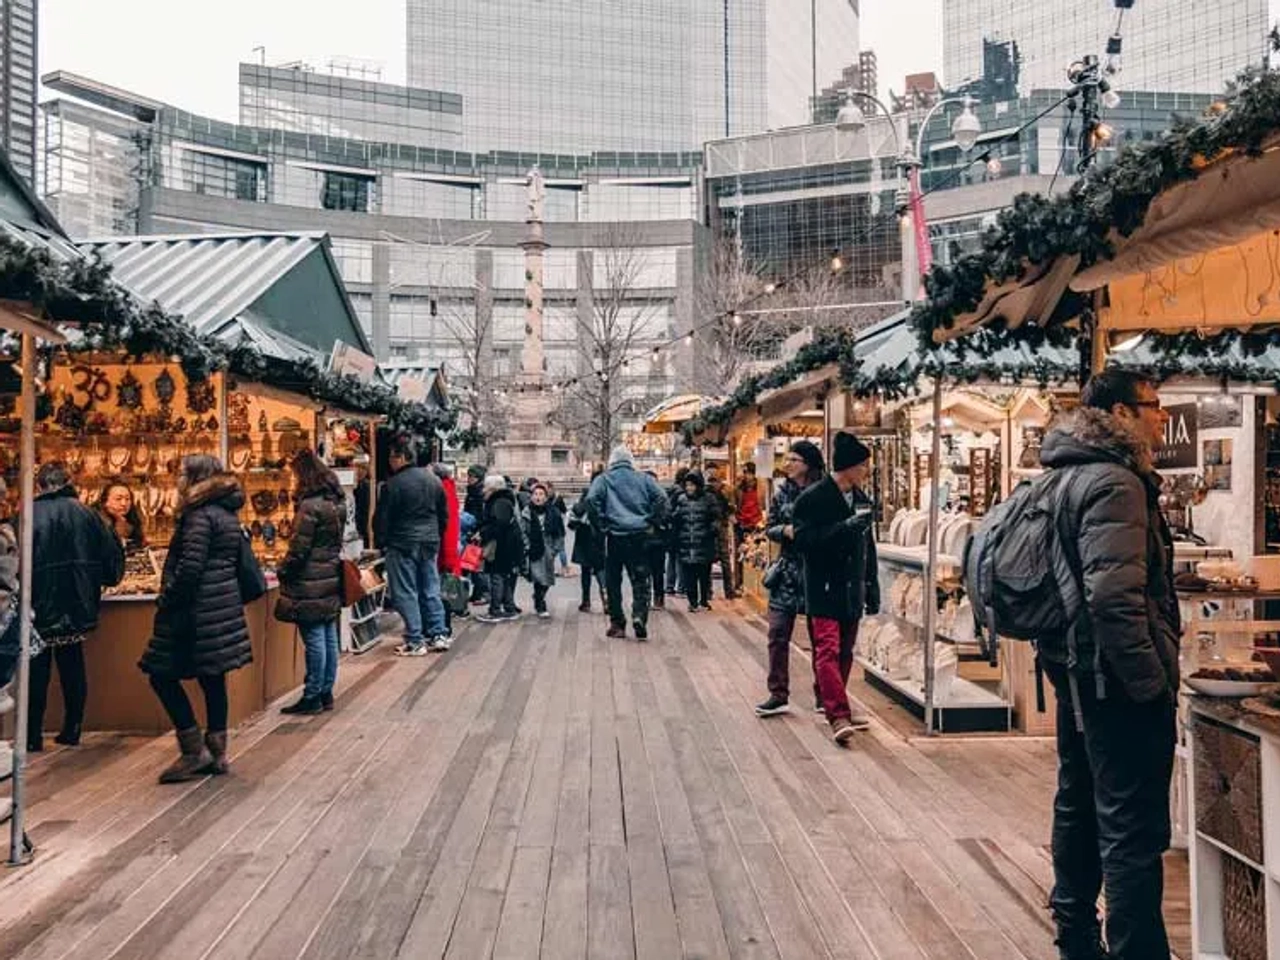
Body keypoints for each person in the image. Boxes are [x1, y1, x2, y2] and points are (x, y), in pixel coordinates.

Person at [1036, 370, 1179, 960]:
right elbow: (1112, 596)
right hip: (1112, 674)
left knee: (1081, 799)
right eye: (1152, 404)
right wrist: (1148, 680)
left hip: (1074, 667)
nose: (1161, 415)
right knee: (1132, 826)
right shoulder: (1117, 483)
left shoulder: (1065, 473)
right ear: (1121, 413)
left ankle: (1074, 929)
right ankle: (1135, 950)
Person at [139, 456, 253, 782]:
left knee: (160, 674)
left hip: (195, 612)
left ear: (195, 478)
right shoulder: (226, 513)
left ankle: (193, 750)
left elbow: (191, 567)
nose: (178, 479)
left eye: (182, 474)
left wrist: (168, 598)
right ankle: (217, 751)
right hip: (219, 608)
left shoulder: (199, 517)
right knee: (213, 677)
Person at [29, 462, 124, 751]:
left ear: (40, 485)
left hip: (38, 601)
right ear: (69, 482)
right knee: (72, 663)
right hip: (77, 600)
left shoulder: (28, 515)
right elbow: (110, 559)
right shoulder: (87, 515)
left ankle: (32, 734)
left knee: (37, 667)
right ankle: (72, 728)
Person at [792, 432, 879, 746]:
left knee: (844, 651)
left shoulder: (862, 500)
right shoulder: (812, 499)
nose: (866, 471)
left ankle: (837, 700)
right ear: (849, 467)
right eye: (863, 466)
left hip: (852, 587)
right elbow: (802, 541)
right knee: (827, 651)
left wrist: (871, 584)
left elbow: (867, 546)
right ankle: (837, 713)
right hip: (824, 587)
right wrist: (841, 530)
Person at [755, 441, 825, 717]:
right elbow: (770, 526)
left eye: (794, 459)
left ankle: (824, 694)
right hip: (786, 572)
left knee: (820, 638)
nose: (788, 463)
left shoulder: (823, 492)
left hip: (817, 571)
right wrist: (784, 530)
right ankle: (778, 693)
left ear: (807, 463)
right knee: (777, 633)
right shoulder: (782, 492)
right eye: (787, 458)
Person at [275, 450, 347, 715]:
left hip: (309, 580)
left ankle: (313, 694)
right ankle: (325, 690)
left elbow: (299, 549)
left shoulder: (309, 506)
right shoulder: (336, 502)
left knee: (315, 637)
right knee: (327, 634)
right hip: (329, 574)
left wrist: (283, 570)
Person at [374, 441, 450, 656]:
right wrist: (436, 534)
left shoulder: (393, 484)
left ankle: (415, 639)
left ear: (400, 458)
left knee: (405, 591)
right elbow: (443, 514)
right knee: (430, 587)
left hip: (402, 542)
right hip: (429, 541)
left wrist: (382, 542)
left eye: (391, 457)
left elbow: (383, 518)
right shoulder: (434, 480)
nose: (389, 462)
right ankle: (438, 634)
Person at [586, 446, 667, 640]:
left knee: (613, 581)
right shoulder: (644, 479)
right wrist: (652, 520)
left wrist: (601, 524)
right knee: (640, 580)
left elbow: (591, 500)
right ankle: (639, 615)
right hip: (639, 535)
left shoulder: (603, 479)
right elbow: (662, 498)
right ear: (631, 461)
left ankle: (617, 623)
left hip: (615, 536)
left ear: (612, 462)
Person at [476, 474, 524, 622]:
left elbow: (498, 524)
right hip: (506, 544)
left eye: (485, 487)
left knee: (496, 576)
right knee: (504, 576)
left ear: (492, 488)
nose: (483, 490)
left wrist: (482, 534)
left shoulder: (499, 502)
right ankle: (509, 607)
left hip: (501, 545)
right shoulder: (503, 500)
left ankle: (495, 610)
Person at [670, 470, 718, 612]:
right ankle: (692, 601)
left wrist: (711, 531)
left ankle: (703, 600)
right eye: (687, 485)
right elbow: (675, 519)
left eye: (692, 485)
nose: (689, 488)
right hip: (686, 543)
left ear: (698, 485)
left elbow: (716, 517)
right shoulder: (681, 499)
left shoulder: (709, 499)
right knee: (689, 575)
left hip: (703, 543)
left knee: (704, 575)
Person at [519, 482, 564, 618]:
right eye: (535, 494)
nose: (538, 497)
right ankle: (540, 604)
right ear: (531, 496)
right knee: (538, 578)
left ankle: (538, 597)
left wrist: (555, 549)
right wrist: (527, 546)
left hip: (548, 549)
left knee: (547, 580)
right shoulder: (526, 512)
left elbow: (559, 533)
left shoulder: (553, 512)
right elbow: (522, 532)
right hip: (534, 549)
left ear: (546, 497)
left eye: (541, 494)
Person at [569, 466, 607, 613]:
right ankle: (605, 593)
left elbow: (578, 510)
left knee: (586, 569)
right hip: (599, 534)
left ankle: (586, 601)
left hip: (585, 534)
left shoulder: (587, 493)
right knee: (600, 566)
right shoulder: (606, 495)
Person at [432, 462, 463, 637]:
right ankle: (442, 626)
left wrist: (447, 557)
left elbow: (447, 527)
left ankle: (442, 628)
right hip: (445, 550)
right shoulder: (447, 490)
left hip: (442, 551)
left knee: (439, 591)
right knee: (440, 591)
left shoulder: (441, 492)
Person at [705, 464, 737, 600]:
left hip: (721, 528)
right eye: (710, 476)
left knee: (724, 560)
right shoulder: (705, 493)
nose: (713, 481)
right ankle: (708, 592)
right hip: (709, 529)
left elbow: (731, 508)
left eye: (715, 476)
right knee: (708, 561)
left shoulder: (725, 491)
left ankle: (728, 591)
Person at [734, 461, 764, 591]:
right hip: (742, 524)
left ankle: (753, 584)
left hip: (756, 524)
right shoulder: (740, 489)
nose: (748, 476)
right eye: (746, 473)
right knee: (741, 554)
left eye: (750, 473)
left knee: (754, 554)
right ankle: (740, 581)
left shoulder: (761, 488)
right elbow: (736, 505)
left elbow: (762, 504)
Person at [96, 479, 146, 552]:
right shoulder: (96, 522)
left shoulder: (131, 520)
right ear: (105, 502)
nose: (123, 503)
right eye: (118, 499)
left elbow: (139, 545)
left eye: (127, 499)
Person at [643, 470, 667, 608]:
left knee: (658, 571)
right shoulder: (641, 499)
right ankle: (646, 597)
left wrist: (657, 523)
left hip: (658, 540)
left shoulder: (663, 499)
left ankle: (659, 597)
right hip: (644, 540)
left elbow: (667, 516)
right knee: (644, 571)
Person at [664, 467, 689, 596]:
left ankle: (669, 586)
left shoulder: (671, 490)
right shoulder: (681, 494)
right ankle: (681, 586)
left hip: (670, 530)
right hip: (679, 529)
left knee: (672, 559)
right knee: (680, 559)